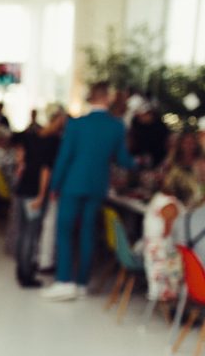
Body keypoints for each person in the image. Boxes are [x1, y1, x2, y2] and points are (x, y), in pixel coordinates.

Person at [44, 82, 134, 301]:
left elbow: (65, 157)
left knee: (64, 231)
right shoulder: (117, 126)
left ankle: (64, 281)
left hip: (73, 184)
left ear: (90, 98)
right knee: (87, 232)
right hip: (97, 185)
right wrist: (140, 163)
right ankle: (82, 283)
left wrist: (54, 185)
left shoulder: (76, 124)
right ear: (107, 98)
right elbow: (122, 159)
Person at [13, 109, 66, 287]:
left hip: (22, 189)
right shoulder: (53, 142)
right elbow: (45, 170)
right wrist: (42, 195)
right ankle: (27, 275)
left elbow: (20, 157)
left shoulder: (31, 136)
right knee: (31, 233)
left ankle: (21, 270)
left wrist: (21, 165)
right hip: (34, 192)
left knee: (22, 232)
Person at [140, 173, 193, 304]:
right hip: (161, 256)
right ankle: (183, 307)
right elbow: (169, 234)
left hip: (151, 251)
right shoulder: (171, 206)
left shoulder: (159, 197)